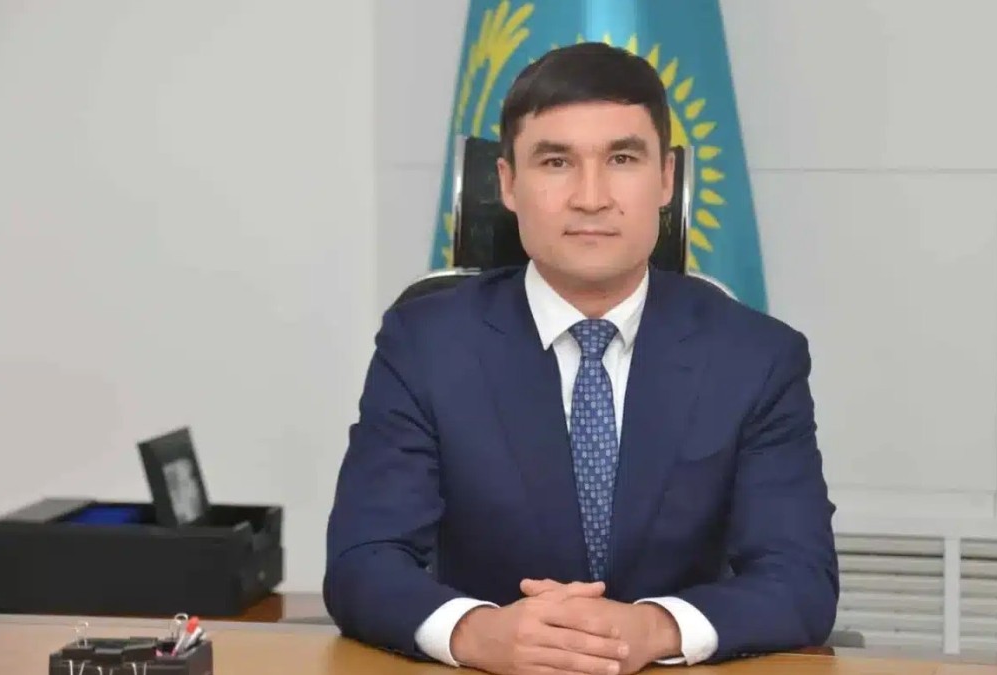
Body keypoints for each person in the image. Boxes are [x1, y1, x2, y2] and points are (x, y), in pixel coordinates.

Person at [324, 42, 839, 675]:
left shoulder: (757, 358)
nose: (591, 197)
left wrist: (651, 628)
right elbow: (363, 561)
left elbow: (800, 577)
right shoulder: (424, 345)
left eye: (622, 159)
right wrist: (480, 634)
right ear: (508, 183)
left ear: (666, 179)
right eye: (556, 161)